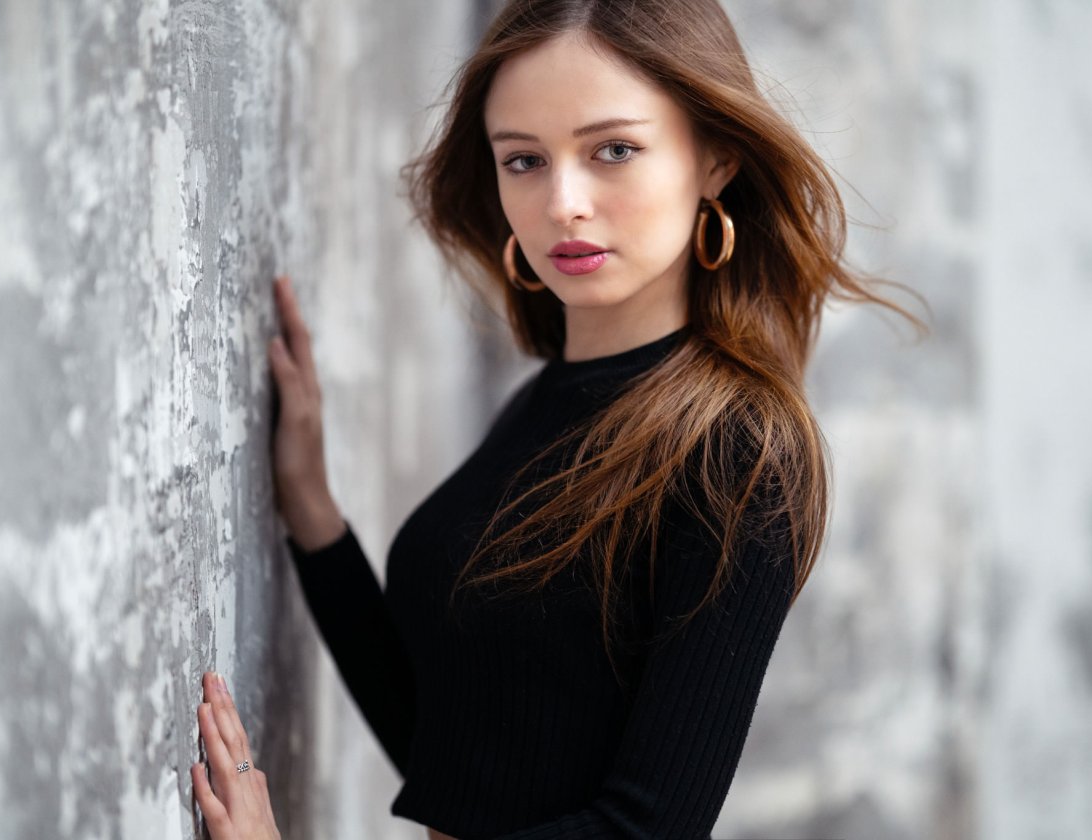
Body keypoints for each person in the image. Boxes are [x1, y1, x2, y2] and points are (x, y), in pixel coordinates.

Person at [190, 0, 925, 838]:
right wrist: (310, 509)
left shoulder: (739, 451)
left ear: (716, 158)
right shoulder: (549, 400)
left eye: (614, 150)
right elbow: (457, 749)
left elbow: (647, 829)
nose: (563, 202)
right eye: (525, 160)